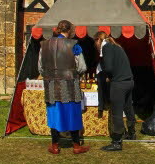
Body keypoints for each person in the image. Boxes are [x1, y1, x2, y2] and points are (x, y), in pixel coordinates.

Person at [38, 20, 90, 155]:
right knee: (72, 113)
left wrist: (50, 76)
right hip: (69, 84)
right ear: (70, 30)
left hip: (51, 85)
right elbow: (82, 67)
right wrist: (72, 73)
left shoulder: (44, 45)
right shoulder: (74, 45)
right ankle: (76, 146)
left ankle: (55, 145)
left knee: (54, 114)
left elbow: (40, 67)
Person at [94, 32, 136, 151]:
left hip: (119, 84)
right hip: (129, 81)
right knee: (128, 108)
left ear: (98, 40)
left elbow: (108, 67)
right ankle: (131, 133)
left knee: (116, 113)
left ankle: (117, 141)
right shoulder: (117, 46)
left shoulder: (107, 47)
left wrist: (108, 76)